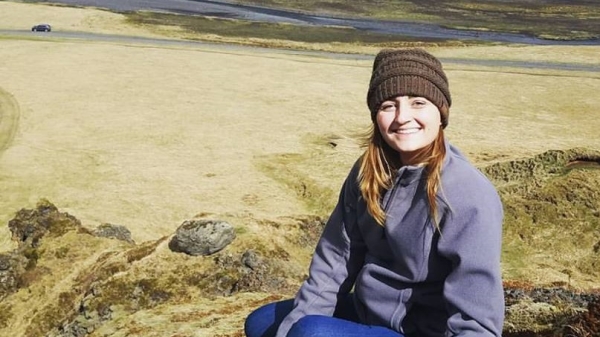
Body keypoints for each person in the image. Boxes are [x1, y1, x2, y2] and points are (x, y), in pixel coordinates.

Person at [244, 48, 505, 337]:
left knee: (312, 332)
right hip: (371, 312)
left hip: (423, 330)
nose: (403, 117)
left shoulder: (467, 193)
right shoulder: (367, 173)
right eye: (388, 105)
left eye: (418, 103)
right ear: (375, 116)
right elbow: (335, 261)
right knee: (263, 322)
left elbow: (478, 321)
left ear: (440, 114)